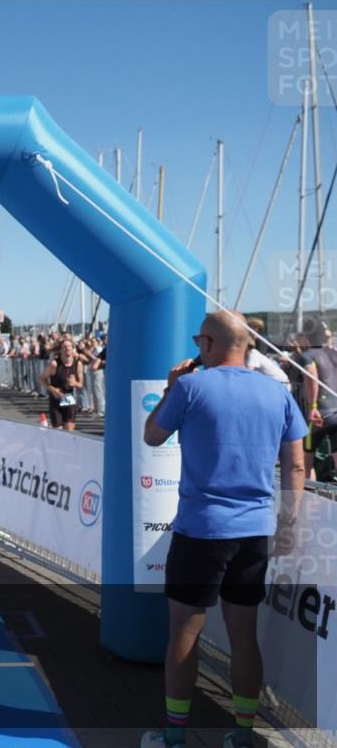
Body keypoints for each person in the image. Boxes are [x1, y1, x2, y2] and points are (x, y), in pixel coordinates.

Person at [140, 311, 307, 748]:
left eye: (199, 341)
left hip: (201, 529)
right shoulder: (278, 393)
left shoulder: (192, 387)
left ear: (210, 343)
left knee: (183, 632)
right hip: (254, 531)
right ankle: (243, 735)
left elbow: (151, 436)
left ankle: (174, 738)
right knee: (243, 634)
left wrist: (170, 390)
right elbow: (295, 464)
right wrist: (288, 523)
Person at [298, 319, 337, 480]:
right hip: (336, 411)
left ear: (306, 338)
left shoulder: (307, 356)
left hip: (319, 414)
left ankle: (307, 498)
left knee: (306, 461)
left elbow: (311, 377)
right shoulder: (334, 353)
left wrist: (312, 406)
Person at [40, 339, 83, 431]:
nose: (67, 348)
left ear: (73, 348)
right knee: (58, 434)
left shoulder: (77, 364)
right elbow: (42, 378)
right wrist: (53, 389)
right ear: (60, 350)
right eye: (64, 347)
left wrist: (74, 383)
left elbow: (80, 384)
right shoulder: (54, 364)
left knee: (69, 433)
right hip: (55, 402)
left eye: (69, 346)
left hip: (69, 402)